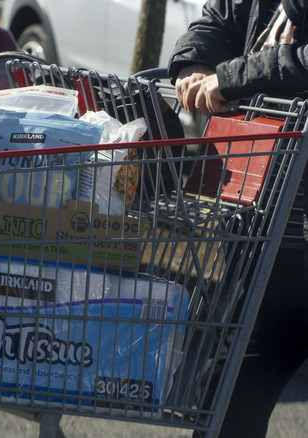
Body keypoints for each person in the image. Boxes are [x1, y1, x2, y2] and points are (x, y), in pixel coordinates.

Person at [168, 1, 308, 437]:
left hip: (290, 224)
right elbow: (221, 19)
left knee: (230, 395)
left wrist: (230, 79)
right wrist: (195, 65)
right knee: (226, 396)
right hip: (270, 221)